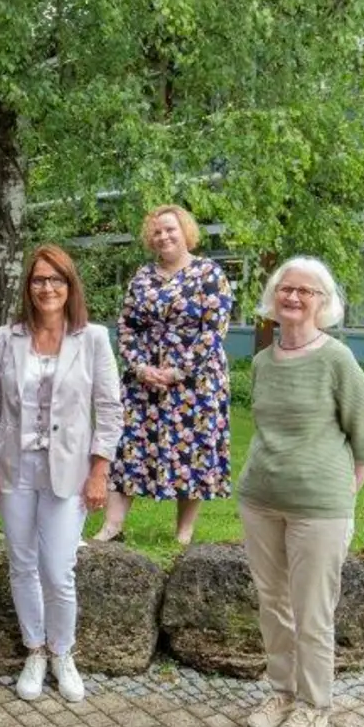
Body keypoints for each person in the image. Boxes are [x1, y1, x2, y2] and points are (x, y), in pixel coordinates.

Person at [237, 257, 364, 727]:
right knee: (273, 605)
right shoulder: (262, 362)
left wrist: (340, 494)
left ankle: (315, 706)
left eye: (306, 291)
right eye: (285, 289)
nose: (293, 298)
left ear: (324, 303)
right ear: (273, 298)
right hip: (260, 499)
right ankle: (281, 692)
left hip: (319, 507)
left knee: (313, 611)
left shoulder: (337, 360)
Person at [0, 245, 122, 703]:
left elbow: (109, 409)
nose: (47, 288)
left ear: (70, 285)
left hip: (69, 470)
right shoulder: (7, 337)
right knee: (22, 563)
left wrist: (99, 472)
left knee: (58, 569)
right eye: (39, 280)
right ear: (28, 287)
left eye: (56, 279)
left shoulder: (92, 338)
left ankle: (63, 652)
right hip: (15, 468)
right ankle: (34, 649)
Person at [94, 205, 234, 545]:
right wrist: (140, 367)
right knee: (127, 446)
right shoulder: (142, 277)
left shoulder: (209, 274)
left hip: (195, 383)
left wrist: (177, 371)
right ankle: (112, 527)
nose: (164, 236)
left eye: (170, 229)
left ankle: (184, 532)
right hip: (143, 381)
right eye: (157, 232)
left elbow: (214, 331)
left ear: (185, 231)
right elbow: (127, 327)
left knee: (193, 451)